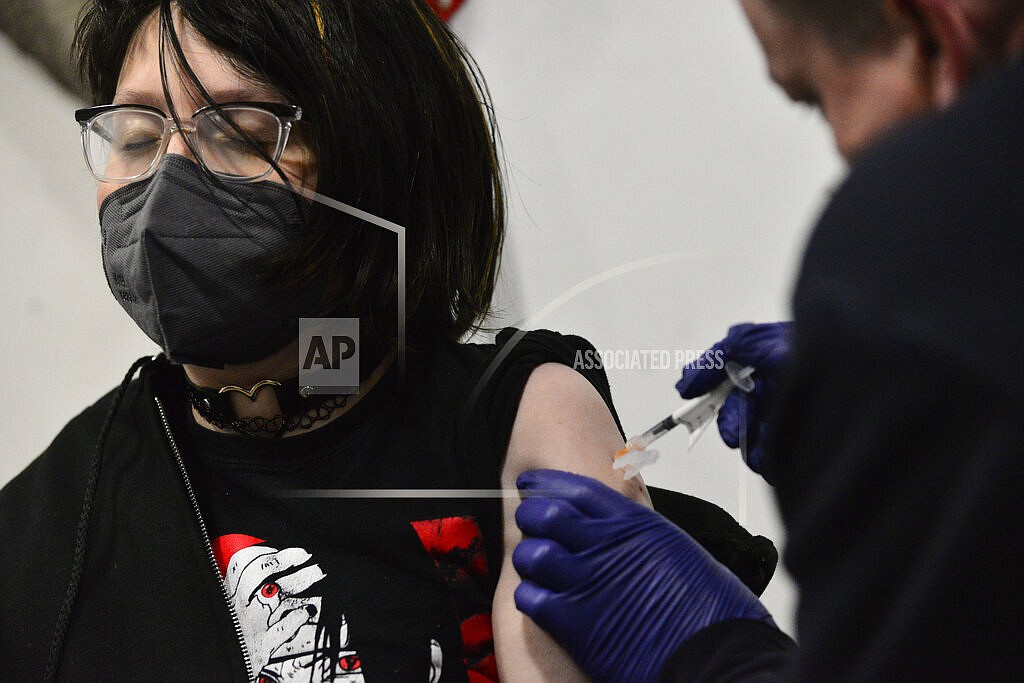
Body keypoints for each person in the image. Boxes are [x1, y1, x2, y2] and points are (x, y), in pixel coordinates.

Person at [0, 0, 723, 679]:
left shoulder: (512, 421)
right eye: (135, 136)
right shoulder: (47, 528)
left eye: (241, 135)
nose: (167, 185)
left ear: (374, 168)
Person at [512, 0, 1024, 680]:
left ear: (935, 33)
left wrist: (705, 646)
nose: (842, 145)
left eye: (814, 96)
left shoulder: (913, 236)